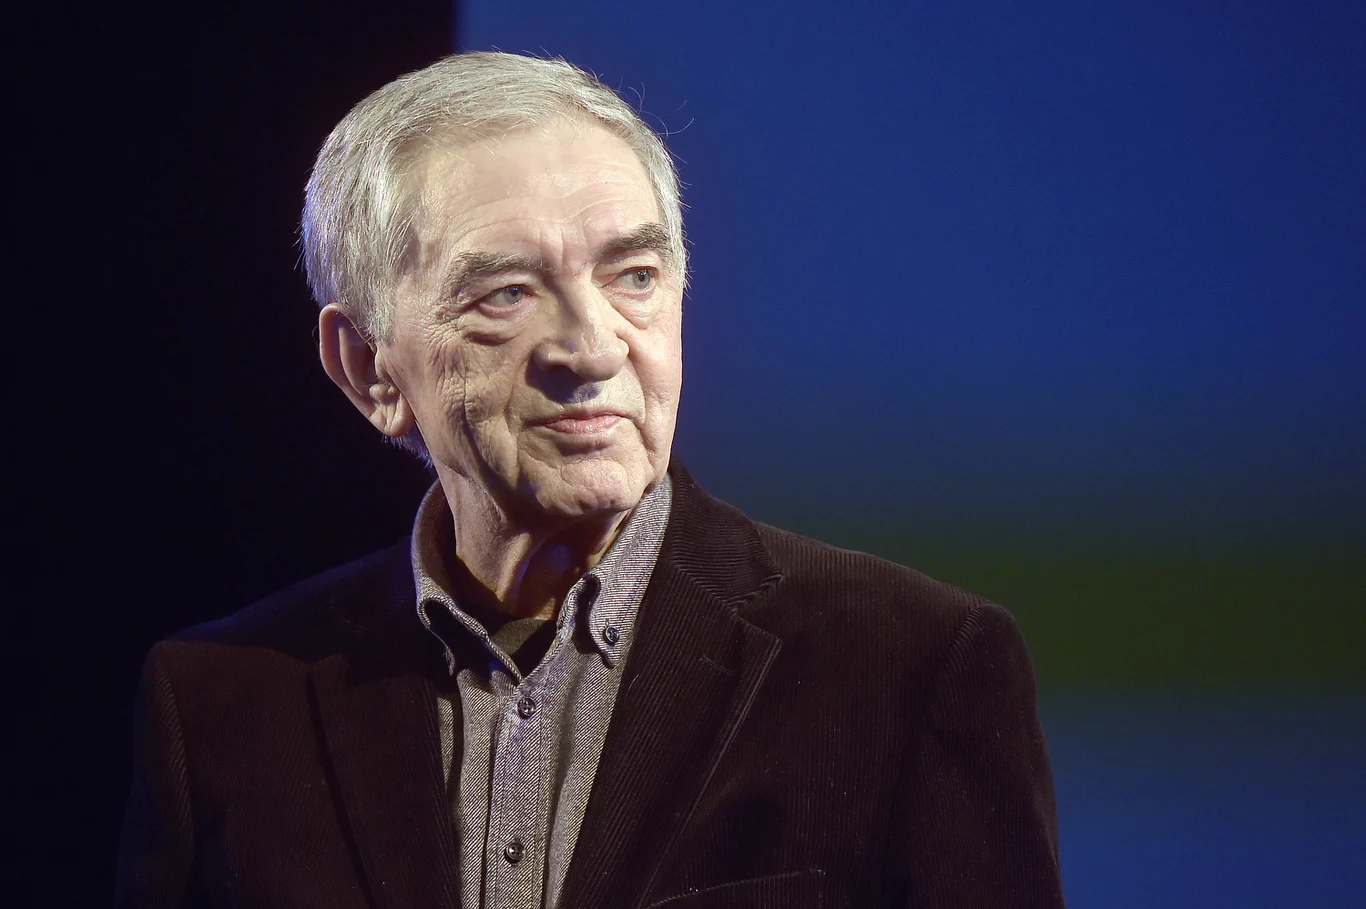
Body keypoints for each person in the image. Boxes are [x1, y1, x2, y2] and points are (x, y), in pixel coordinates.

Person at [116, 52, 1066, 908]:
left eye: (634, 276)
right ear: (369, 367)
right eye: (506, 294)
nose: (593, 347)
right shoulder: (223, 705)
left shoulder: (912, 668)